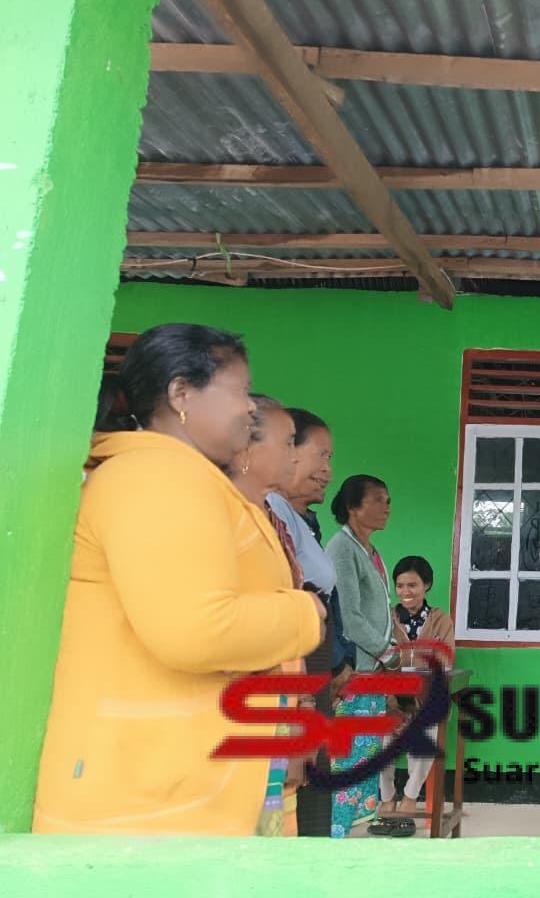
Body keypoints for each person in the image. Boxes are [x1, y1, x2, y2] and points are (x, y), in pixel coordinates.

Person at [33, 324, 324, 836]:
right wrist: (304, 614)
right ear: (181, 394)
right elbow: (196, 629)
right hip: (150, 791)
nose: (250, 407)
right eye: (239, 390)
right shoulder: (156, 478)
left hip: (181, 779)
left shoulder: (184, 477)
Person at [228, 394, 307, 837]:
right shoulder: (222, 514)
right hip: (238, 709)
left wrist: (298, 712)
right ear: (246, 447)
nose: (295, 456)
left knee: (272, 834)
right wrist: (303, 612)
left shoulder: (268, 516)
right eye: (288, 442)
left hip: (277, 701)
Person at [265, 408, 340, 838]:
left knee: (313, 766)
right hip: (299, 654)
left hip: (314, 652)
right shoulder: (272, 510)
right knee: (303, 768)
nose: (327, 470)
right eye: (321, 455)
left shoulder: (298, 520)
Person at [327, 474, 398, 838]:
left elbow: (379, 611)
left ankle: (356, 830)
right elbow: (350, 616)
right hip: (353, 672)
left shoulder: (370, 550)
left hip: (373, 673)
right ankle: (335, 833)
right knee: (348, 759)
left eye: (388, 500)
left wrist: (392, 647)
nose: (387, 508)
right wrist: (387, 652)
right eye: (378, 500)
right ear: (353, 507)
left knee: (366, 757)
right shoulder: (342, 548)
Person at [377, 556, 453, 818]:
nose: (405, 592)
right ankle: (387, 796)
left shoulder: (441, 621)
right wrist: (394, 700)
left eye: (412, 585)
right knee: (382, 737)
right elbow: (378, 663)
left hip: (425, 699)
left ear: (426, 585)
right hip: (391, 699)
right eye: (400, 586)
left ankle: (410, 796)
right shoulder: (386, 619)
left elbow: (444, 661)